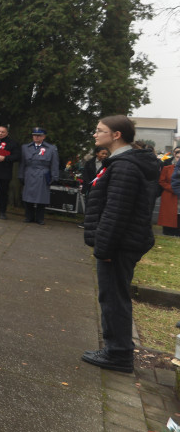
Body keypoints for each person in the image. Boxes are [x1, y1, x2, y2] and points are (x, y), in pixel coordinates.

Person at [81, 116, 161, 373]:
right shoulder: (122, 162)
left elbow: (116, 212)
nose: (95, 134)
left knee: (113, 298)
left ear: (116, 135)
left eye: (100, 131)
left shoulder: (124, 166)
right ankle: (116, 350)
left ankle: (118, 354)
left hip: (119, 245)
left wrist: (104, 249)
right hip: (123, 243)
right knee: (113, 296)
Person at [21, 128, 60, 224]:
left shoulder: (51, 148)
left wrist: (54, 176)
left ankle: (40, 218)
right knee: (28, 196)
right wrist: (20, 175)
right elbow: (22, 163)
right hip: (29, 173)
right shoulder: (25, 147)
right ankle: (28, 217)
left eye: (39, 135)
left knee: (41, 197)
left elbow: (54, 164)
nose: (36, 137)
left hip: (43, 174)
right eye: (34, 135)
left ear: (44, 137)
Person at [157, 147, 180, 235]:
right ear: (174, 157)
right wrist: (173, 188)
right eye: (178, 157)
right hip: (170, 196)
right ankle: (168, 232)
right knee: (169, 216)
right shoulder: (167, 168)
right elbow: (162, 181)